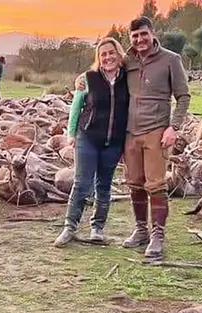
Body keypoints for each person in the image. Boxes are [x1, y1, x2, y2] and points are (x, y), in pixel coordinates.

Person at [76, 16, 190, 259]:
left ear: (152, 33)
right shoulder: (127, 61)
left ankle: (158, 235)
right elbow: (103, 69)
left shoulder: (171, 60)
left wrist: (174, 127)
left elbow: (183, 96)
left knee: (156, 184)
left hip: (156, 131)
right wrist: (82, 80)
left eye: (143, 34)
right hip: (129, 133)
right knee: (135, 183)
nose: (139, 39)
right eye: (135, 36)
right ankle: (141, 230)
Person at [53, 38, 129, 248]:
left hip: (113, 141)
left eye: (111, 53)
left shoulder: (128, 78)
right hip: (87, 137)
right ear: (98, 57)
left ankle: (98, 228)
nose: (108, 57)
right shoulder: (88, 78)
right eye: (103, 54)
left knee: (104, 185)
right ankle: (70, 227)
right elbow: (76, 107)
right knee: (81, 183)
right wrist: (71, 134)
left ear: (118, 53)